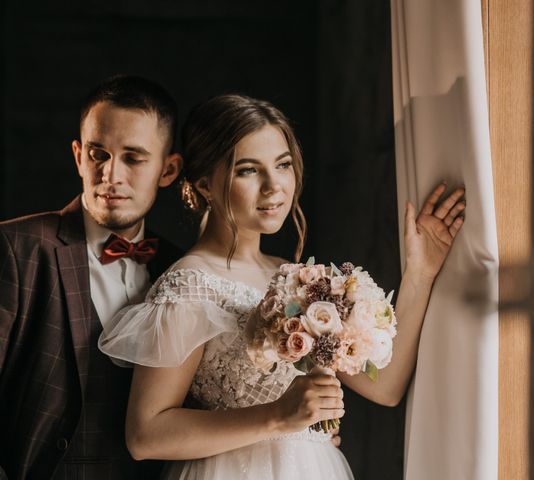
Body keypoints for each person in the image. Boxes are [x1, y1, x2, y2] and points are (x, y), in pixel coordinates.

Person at [98, 94, 465, 479]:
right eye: (248, 170)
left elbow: (385, 387)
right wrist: (276, 417)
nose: (274, 186)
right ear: (205, 185)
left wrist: (421, 273)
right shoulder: (190, 284)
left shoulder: (299, 280)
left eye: (283, 165)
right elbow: (145, 435)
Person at [0, 75, 183, 480]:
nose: (110, 175)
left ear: (168, 169)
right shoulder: (16, 247)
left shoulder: (182, 269)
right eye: (99, 154)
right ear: (78, 155)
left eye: (134, 158)